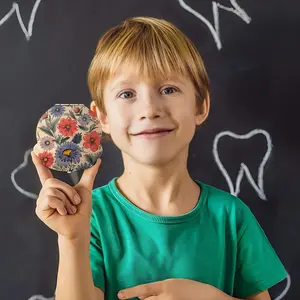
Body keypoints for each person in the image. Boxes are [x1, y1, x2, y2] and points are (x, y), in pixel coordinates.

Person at [31, 16, 287, 300]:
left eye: (168, 90)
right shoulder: (91, 217)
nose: (150, 109)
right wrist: (72, 240)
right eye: (127, 93)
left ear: (200, 105)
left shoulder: (231, 217)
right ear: (101, 117)